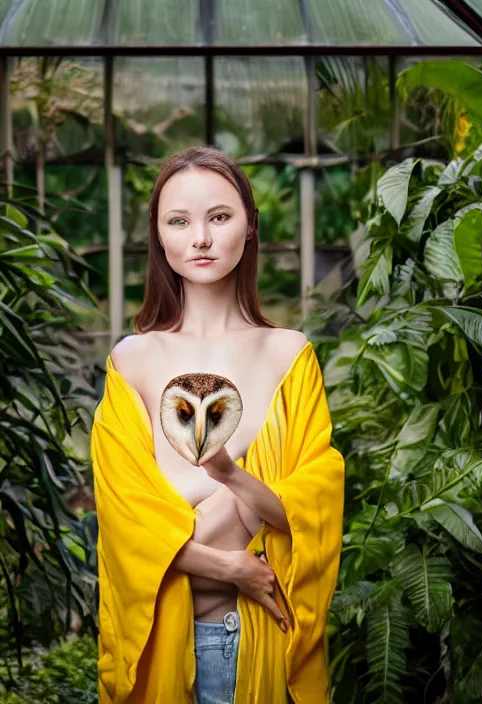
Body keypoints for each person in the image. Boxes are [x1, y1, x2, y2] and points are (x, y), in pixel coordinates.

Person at [91, 145, 345, 704]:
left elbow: (313, 508)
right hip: (167, 648)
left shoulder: (289, 355)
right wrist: (234, 566)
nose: (200, 238)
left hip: (258, 646)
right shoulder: (132, 361)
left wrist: (229, 474)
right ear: (159, 236)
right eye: (178, 221)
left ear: (250, 227)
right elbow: (120, 522)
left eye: (220, 217)